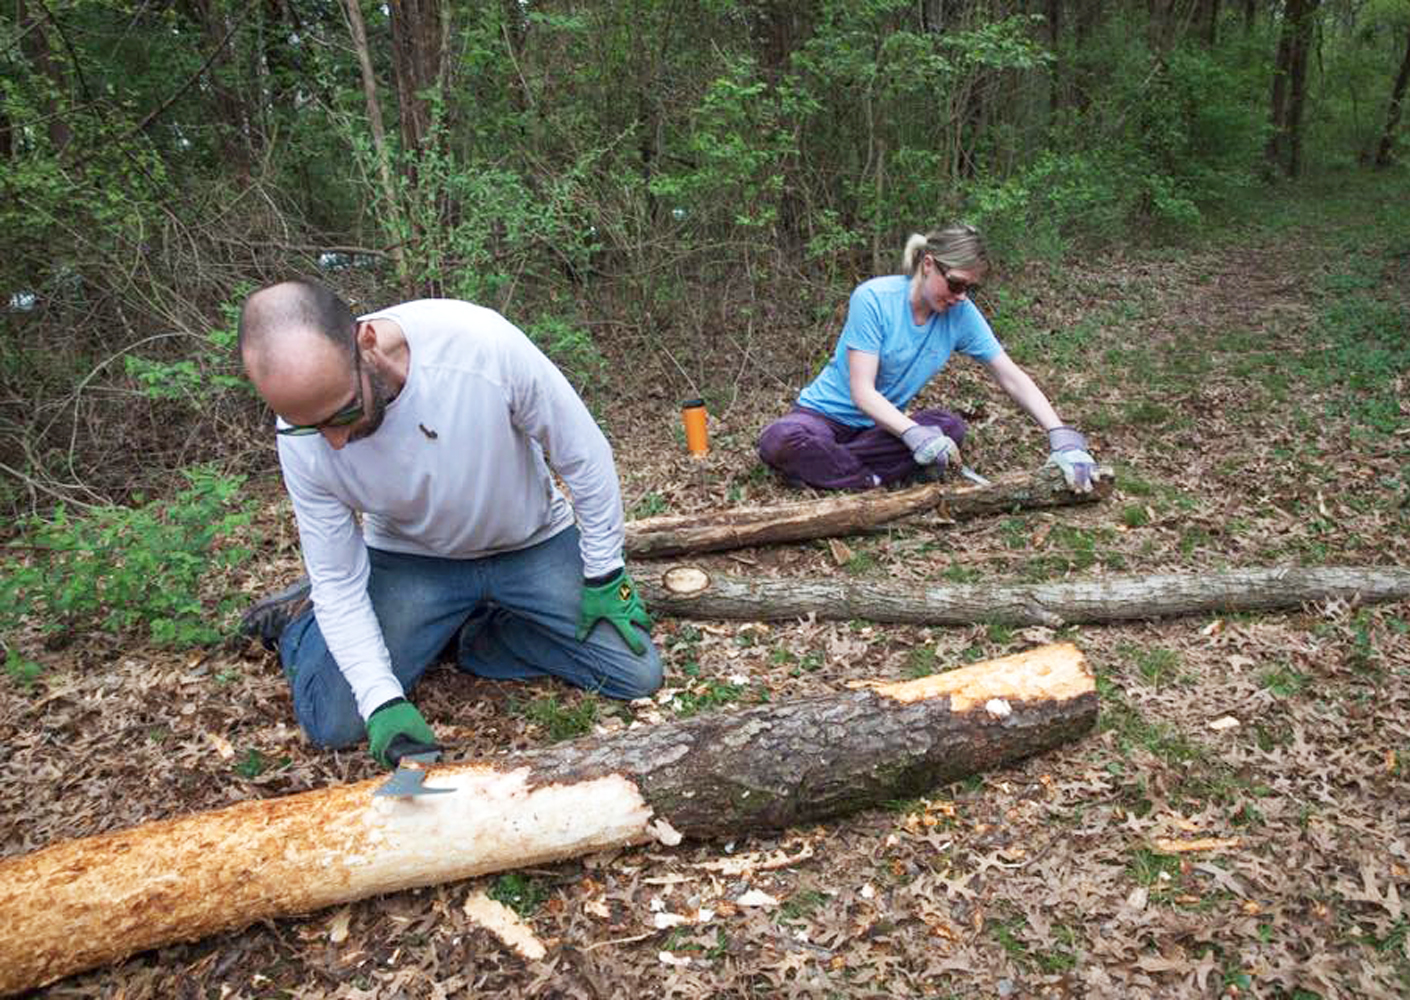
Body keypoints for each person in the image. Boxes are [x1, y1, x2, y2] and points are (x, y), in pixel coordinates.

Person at [235, 279, 661, 768]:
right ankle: (298, 624)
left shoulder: (478, 345)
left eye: (344, 413)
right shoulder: (300, 433)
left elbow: (585, 456)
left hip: (530, 544)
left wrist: (605, 571)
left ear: (366, 342)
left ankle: (473, 636)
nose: (333, 441)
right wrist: (383, 702)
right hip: (412, 562)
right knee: (337, 721)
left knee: (636, 673)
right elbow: (336, 576)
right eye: (312, 426)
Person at [756, 223, 1098, 493]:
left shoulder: (961, 314)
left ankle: (834, 472)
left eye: (970, 289)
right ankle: (872, 479)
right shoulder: (874, 298)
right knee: (781, 439)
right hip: (824, 420)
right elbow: (863, 393)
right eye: (955, 284)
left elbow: (1009, 374)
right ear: (929, 265)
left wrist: (1060, 435)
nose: (961, 297)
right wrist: (913, 435)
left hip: (879, 429)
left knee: (949, 427)